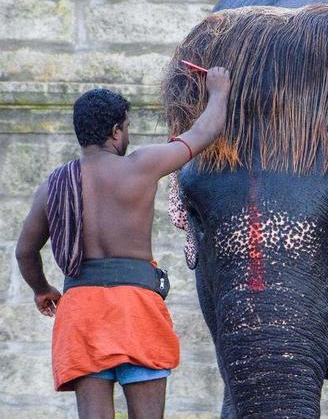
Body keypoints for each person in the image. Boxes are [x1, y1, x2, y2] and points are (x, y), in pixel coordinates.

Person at [14, 67, 230, 418]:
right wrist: (218, 90)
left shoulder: (52, 186)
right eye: (126, 127)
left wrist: (42, 289)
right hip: (136, 309)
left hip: (81, 310)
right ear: (116, 132)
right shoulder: (141, 167)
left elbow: (25, 252)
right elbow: (204, 131)